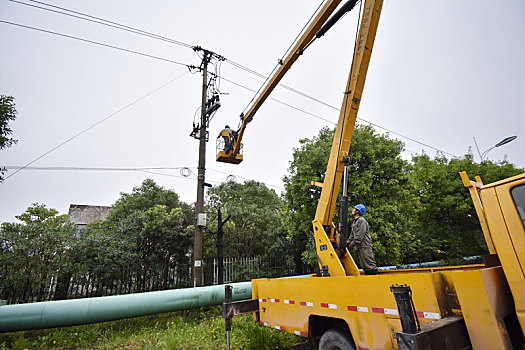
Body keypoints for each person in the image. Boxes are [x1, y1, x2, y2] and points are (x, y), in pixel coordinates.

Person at [347, 204, 378, 275]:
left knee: (369, 264)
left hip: (365, 245)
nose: (353, 210)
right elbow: (352, 234)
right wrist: (347, 243)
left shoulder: (361, 220)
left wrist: (352, 244)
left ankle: (375, 278)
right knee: (364, 265)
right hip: (360, 246)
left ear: (357, 211)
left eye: (354, 209)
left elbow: (359, 235)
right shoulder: (356, 221)